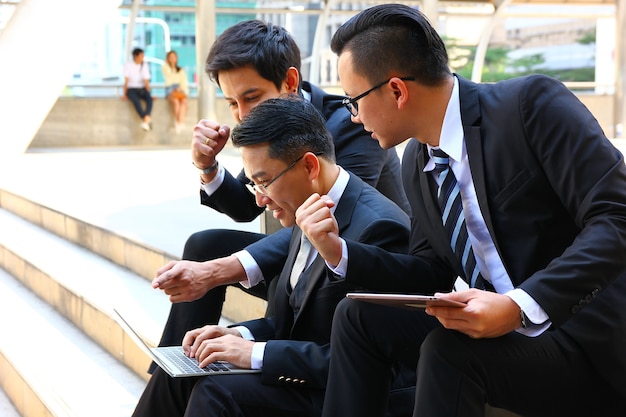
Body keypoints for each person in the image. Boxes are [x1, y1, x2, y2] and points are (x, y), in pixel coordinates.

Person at [302, 4, 626, 417]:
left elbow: (616, 216)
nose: (353, 116)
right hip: (502, 335)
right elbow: (431, 269)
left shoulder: (529, 107)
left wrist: (519, 305)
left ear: (397, 90)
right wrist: (338, 252)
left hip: (579, 336)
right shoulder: (417, 162)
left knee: (449, 350)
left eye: (354, 100)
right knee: (358, 317)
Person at [131, 96, 411, 417]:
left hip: (348, 396)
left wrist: (253, 353)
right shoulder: (307, 204)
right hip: (305, 373)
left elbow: (368, 361)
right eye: (253, 184)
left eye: (264, 181)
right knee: (188, 366)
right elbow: (292, 323)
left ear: (309, 166)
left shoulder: (379, 229)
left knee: (216, 391)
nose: (260, 199)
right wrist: (237, 335)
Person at [151, 20, 410, 356]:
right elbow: (248, 206)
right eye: (232, 103)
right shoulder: (265, 128)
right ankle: (174, 365)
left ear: (289, 82)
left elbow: (330, 220)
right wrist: (207, 166)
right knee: (205, 244)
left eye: (251, 97)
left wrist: (217, 270)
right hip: (305, 255)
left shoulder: (351, 124)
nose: (243, 115)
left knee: (252, 270)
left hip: (362, 267)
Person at [123, 47, 153, 131]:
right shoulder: (128, 65)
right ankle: (147, 120)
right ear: (135, 56)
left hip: (142, 88)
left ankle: (145, 120)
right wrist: (124, 94)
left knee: (149, 99)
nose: (142, 58)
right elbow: (126, 81)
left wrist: (149, 93)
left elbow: (146, 81)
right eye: (141, 56)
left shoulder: (144, 65)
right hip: (131, 88)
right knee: (136, 101)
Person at [162, 50, 189, 134]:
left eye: (174, 57)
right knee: (176, 102)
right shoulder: (165, 67)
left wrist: (181, 88)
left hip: (179, 88)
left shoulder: (180, 70)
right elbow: (168, 77)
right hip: (169, 89)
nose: (172, 59)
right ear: (167, 59)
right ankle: (178, 122)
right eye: (170, 57)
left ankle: (179, 122)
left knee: (184, 101)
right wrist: (168, 64)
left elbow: (184, 82)